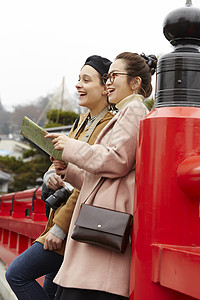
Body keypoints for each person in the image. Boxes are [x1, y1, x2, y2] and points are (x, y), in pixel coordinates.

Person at [45, 52, 157, 300]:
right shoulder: (125, 112)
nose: (108, 82)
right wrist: (70, 170)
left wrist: (71, 148)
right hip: (100, 221)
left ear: (135, 83)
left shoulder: (134, 110)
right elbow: (105, 174)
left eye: (114, 76)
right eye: (108, 76)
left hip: (103, 222)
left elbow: (117, 160)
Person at [5, 55, 113, 300]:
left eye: (86, 80)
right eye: (78, 79)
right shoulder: (81, 123)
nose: (78, 85)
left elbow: (91, 182)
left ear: (106, 86)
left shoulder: (108, 126)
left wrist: (60, 228)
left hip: (74, 225)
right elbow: (62, 165)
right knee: (51, 293)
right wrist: (51, 176)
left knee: (16, 275)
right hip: (61, 219)